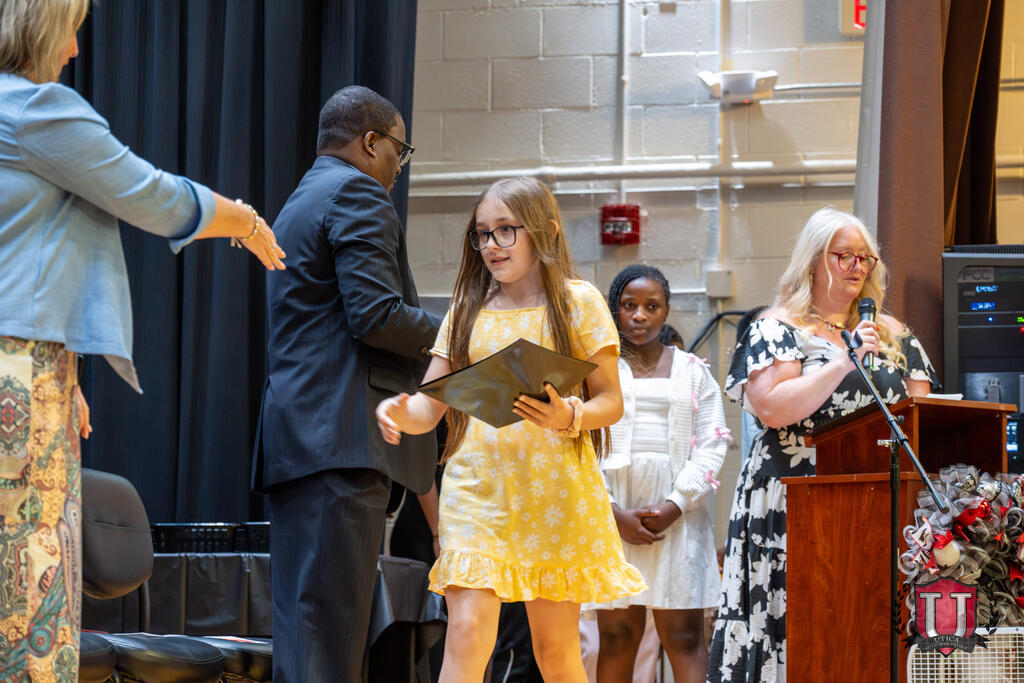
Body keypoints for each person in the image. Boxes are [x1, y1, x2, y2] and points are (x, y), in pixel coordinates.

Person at [0, 1, 285, 678]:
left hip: (28, 362)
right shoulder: (37, 109)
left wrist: (65, 374)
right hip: (22, 369)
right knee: (32, 583)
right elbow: (150, 194)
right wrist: (245, 220)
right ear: (42, 29)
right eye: (71, 31)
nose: (74, 50)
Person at [376, 176, 646, 683]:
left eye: (505, 230)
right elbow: (428, 407)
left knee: (555, 651)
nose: (491, 245)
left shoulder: (578, 301)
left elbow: (610, 402)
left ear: (545, 231)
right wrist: (400, 410)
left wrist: (571, 416)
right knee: (466, 631)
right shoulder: (467, 309)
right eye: (482, 233)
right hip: (478, 489)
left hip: (555, 493)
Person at [707, 207, 939, 681]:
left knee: (861, 627)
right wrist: (843, 363)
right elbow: (773, 408)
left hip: (875, 501)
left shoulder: (892, 334)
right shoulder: (778, 328)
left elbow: (922, 416)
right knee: (797, 623)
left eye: (865, 258)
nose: (856, 267)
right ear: (813, 260)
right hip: (792, 498)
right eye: (843, 256)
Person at [255, 84, 438, 683]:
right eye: (399, 151)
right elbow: (377, 315)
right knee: (330, 649)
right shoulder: (357, 191)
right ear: (370, 142)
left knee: (306, 641)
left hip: (300, 442)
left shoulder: (298, 201)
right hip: (340, 443)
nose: (398, 167)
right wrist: (460, 335)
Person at [590, 265, 729, 683]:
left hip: (677, 519)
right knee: (616, 637)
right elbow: (581, 447)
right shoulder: (597, 372)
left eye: (651, 306)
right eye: (629, 306)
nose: (639, 315)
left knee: (685, 637)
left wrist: (675, 504)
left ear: (666, 310)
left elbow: (713, 444)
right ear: (615, 311)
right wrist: (611, 513)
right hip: (614, 517)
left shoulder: (693, 371)